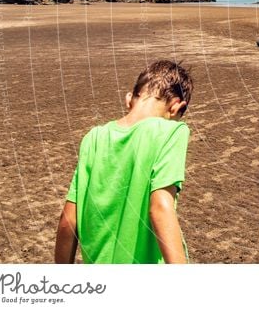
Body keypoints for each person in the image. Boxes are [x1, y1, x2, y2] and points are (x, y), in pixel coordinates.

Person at [54, 60, 194, 264]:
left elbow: (68, 221)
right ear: (175, 108)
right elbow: (160, 208)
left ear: (129, 99)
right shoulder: (172, 132)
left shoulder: (94, 137)